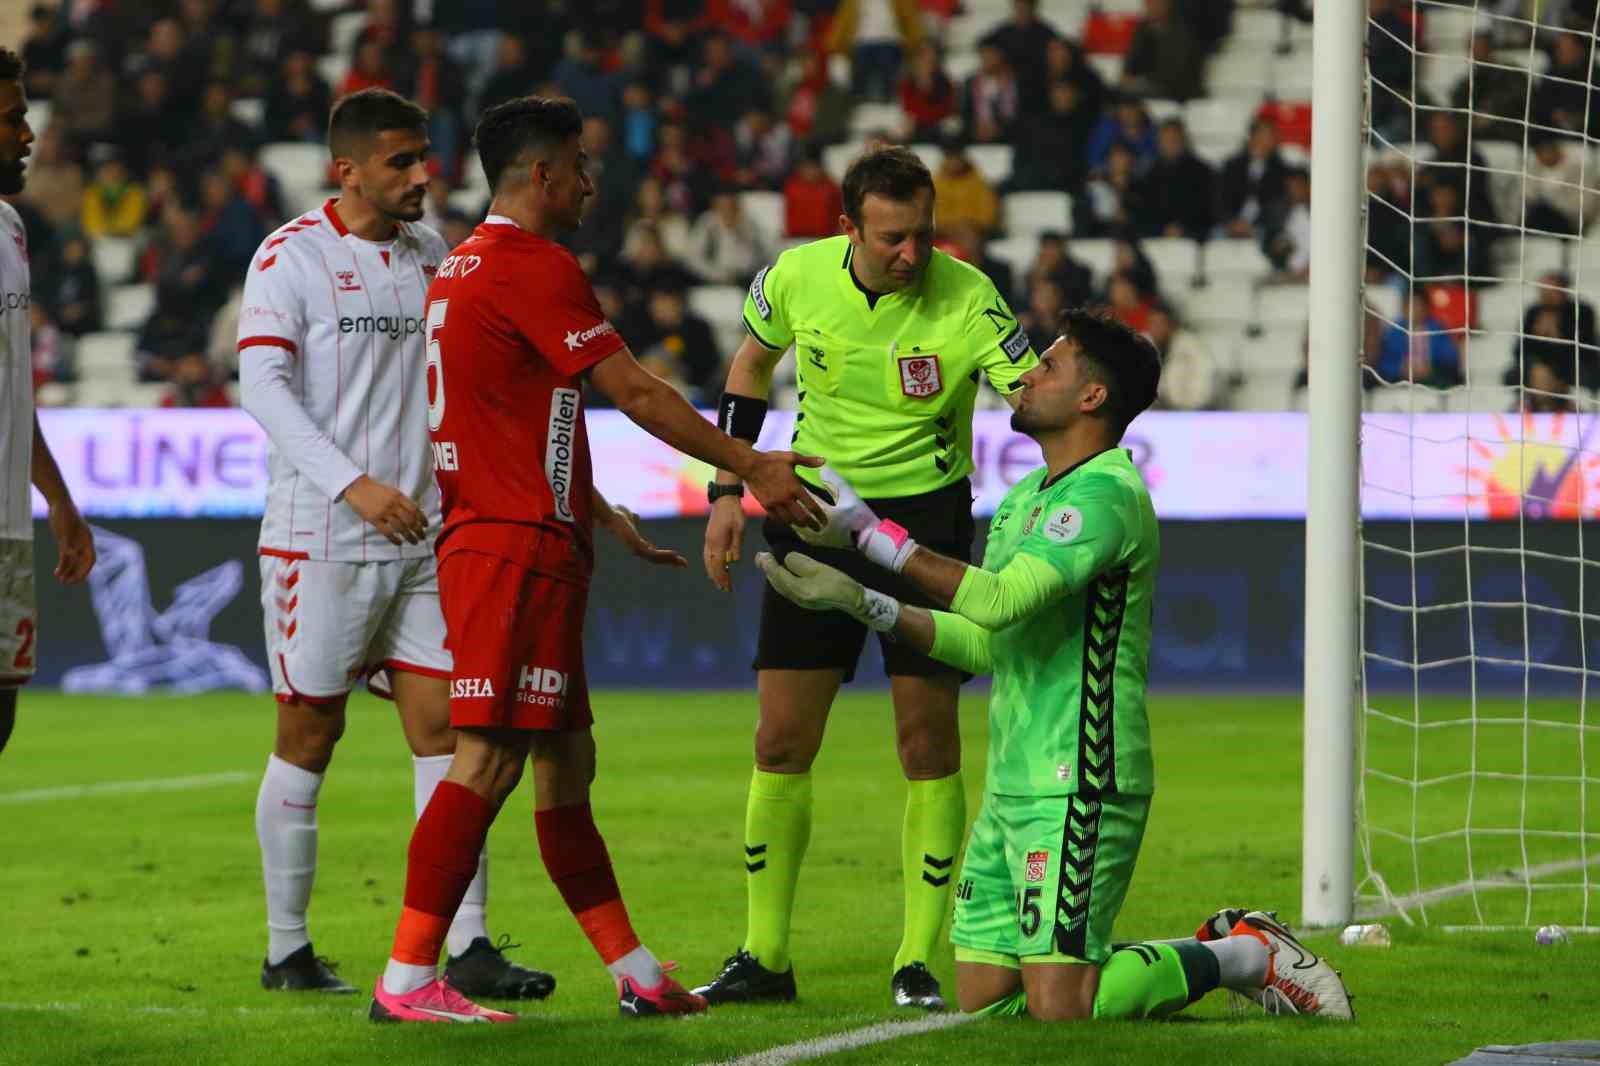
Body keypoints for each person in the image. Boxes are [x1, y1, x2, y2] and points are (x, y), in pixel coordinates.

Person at [757, 309, 1354, 1023]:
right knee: (986, 1001)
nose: (1026, 376)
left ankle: (1246, 954)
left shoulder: (1105, 495)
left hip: (1083, 776)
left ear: (1091, 398)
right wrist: (863, 602)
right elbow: (987, 642)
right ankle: (1112, 964)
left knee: (1060, 1010)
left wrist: (868, 534)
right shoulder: (1023, 501)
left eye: (1048, 367)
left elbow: (1003, 599)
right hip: (1014, 779)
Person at [368, 94, 825, 1024]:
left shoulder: (465, 268)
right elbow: (637, 394)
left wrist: (596, 508)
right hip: (510, 547)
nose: (588, 181)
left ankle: (637, 973)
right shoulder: (533, 266)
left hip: (530, 533)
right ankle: (409, 978)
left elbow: (520, 410)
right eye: (578, 164)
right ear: (541, 176)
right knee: (489, 761)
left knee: (567, 763)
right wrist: (751, 466)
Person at [695, 146, 1038, 1012]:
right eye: (892, 238)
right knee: (779, 742)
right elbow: (748, 368)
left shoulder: (968, 296)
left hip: (925, 526)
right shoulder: (796, 276)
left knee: (926, 745)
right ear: (847, 227)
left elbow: (1032, 400)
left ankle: (920, 958)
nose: (912, 254)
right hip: (811, 512)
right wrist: (729, 489)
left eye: (923, 234)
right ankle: (764, 955)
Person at [237, 89, 552, 1001]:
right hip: (322, 538)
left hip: (424, 542)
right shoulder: (289, 257)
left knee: (451, 734)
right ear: (348, 171)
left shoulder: (433, 254)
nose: (425, 175)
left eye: (425, 157)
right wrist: (354, 485)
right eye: (402, 162)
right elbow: (264, 390)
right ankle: (287, 950)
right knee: (311, 730)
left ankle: (468, 943)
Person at [0, 47, 96, 756]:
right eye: (12, 120)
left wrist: (57, 499)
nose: (28, 135)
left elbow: (11, 389)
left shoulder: (10, 230)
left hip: (6, 529)